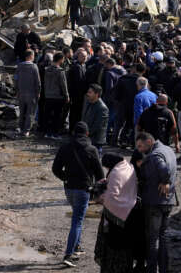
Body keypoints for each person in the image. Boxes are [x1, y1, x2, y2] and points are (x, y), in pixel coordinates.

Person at [52, 121, 104, 268]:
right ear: (87, 134)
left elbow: (55, 169)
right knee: (77, 220)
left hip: (68, 189)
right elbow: (100, 174)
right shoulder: (92, 149)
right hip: (83, 189)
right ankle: (69, 254)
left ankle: (77, 247)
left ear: (74, 133)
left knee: (77, 216)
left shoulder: (65, 147)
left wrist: (65, 178)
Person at [95, 153, 144, 273]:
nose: (107, 170)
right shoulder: (127, 167)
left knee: (114, 249)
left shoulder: (116, 173)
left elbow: (111, 198)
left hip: (116, 220)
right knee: (126, 249)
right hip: (131, 213)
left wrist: (101, 197)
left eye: (107, 167)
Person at [135, 131, 177, 273]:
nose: (139, 150)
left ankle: (152, 270)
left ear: (149, 142)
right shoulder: (169, 149)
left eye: (141, 146)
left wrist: (165, 180)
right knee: (163, 237)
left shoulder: (155, 155)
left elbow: (163, 169)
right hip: (168, 201)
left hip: (155, 202)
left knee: (153, 239)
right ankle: (164, 269)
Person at [43, 52, 70, 137]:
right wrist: (67, 95)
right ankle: (55, 133)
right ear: (61, 59)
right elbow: (63, 84)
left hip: (48, 95)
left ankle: (47, 132)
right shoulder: (60, 71)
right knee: (57, 116)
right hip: (58, 96)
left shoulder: (47, 69)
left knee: (47, 115)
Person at [17, 49, 41, 136]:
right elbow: (38, 82)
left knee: (22, 111)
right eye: (33, 55)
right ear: (31, 56)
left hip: (21, 92)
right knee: (30, 113)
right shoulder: (34, 67)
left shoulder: (19, 66)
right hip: (32, 93)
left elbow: (16, 79)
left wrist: (17, 90)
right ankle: (26, 130)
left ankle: (20, 128)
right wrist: (38, 92)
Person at [83, 83, 109, 154]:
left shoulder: (102, 108)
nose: (87, 94)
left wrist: (86, 133)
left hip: (95, 141)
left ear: (96, 94)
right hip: (88, 138)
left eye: (90, 92)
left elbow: (98, 125)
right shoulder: (90, 103)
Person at [68, 50, 88, 134]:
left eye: (85, 56)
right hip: (76, 94)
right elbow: (78, 81)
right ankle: (72, 129)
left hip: (80, 94)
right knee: (75, 112)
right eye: (82, 56)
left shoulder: (83, 65)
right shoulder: (76, 66)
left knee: (78, 112)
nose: (84, 57)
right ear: (78, 57)